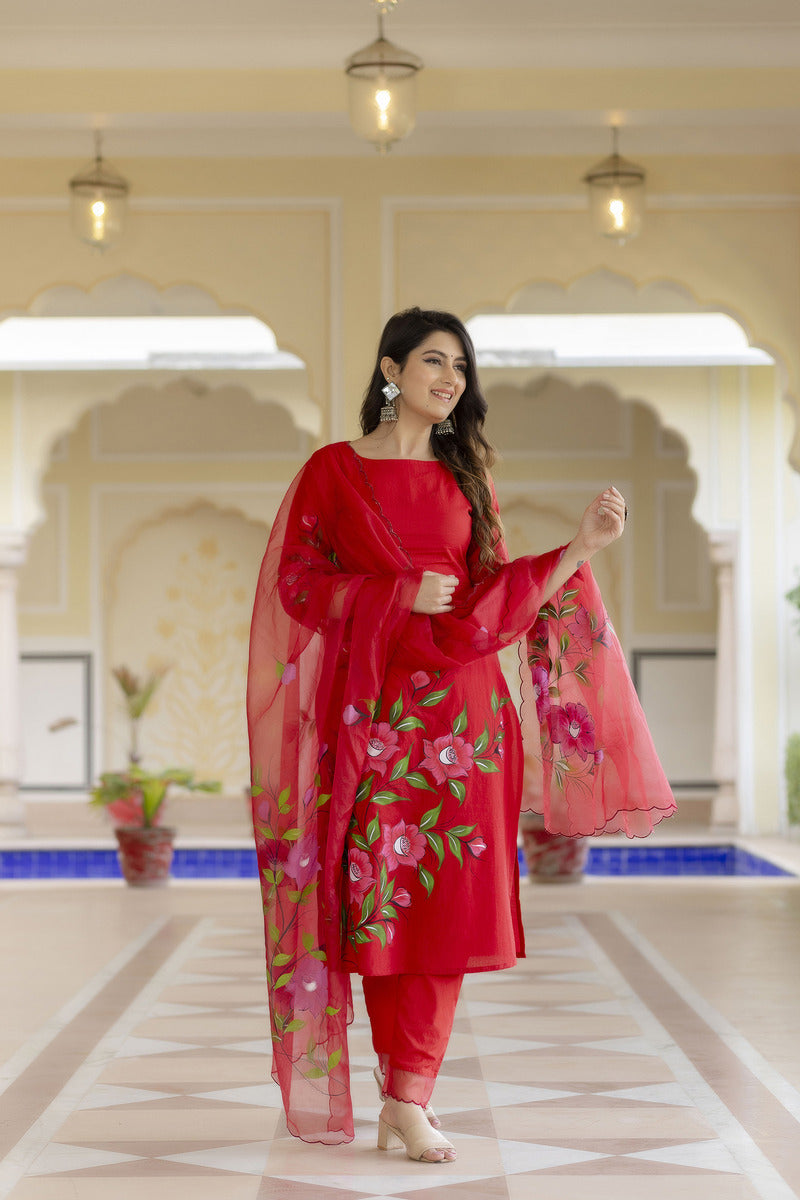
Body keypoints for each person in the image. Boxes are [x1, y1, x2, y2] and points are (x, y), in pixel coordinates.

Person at [247, 306, 675, 1163]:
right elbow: (297, 584)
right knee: (377, 906)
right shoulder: (331, 472)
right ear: (390, 369)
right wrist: (393, 595)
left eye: (461, 367)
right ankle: (390, 1082)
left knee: (445, 909)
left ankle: (410, 1097)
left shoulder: (465, 475)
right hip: (376, 716)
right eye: (434, 361)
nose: (451, 379)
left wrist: (578, 548)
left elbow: (494, 597)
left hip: (466, 723)